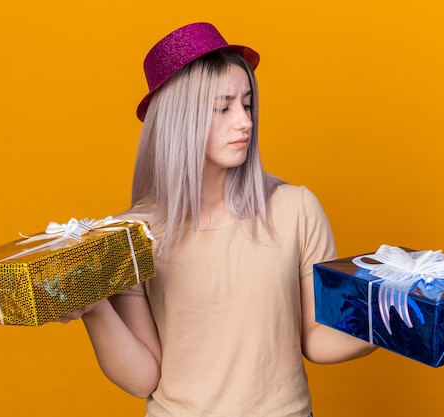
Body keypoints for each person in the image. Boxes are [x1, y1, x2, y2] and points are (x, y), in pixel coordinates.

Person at [59, 22, 377, 416]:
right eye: (222, 108)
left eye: (247, 104)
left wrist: (390, 319)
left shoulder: (295, 208)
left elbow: (316, 338)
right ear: (179, 120)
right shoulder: (132, 235)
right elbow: (143, 376)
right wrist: (93, 307)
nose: (245, 121)